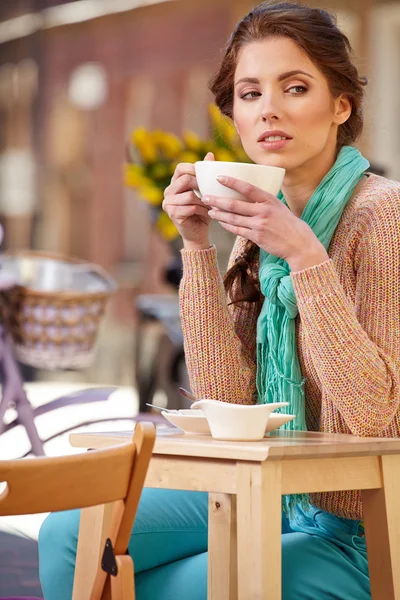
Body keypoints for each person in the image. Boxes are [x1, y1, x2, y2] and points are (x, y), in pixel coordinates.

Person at [38, 2, 400, 598]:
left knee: (174, 588)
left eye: (296, 87)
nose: (270, 109)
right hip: (268, 493)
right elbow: (225, 404)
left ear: (342, 106)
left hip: (362, 528)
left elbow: (377, 420)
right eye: (249, 93)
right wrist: (197, 248)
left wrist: (309, 260)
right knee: (70, 537)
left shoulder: (381, 216)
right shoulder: (263, 229)